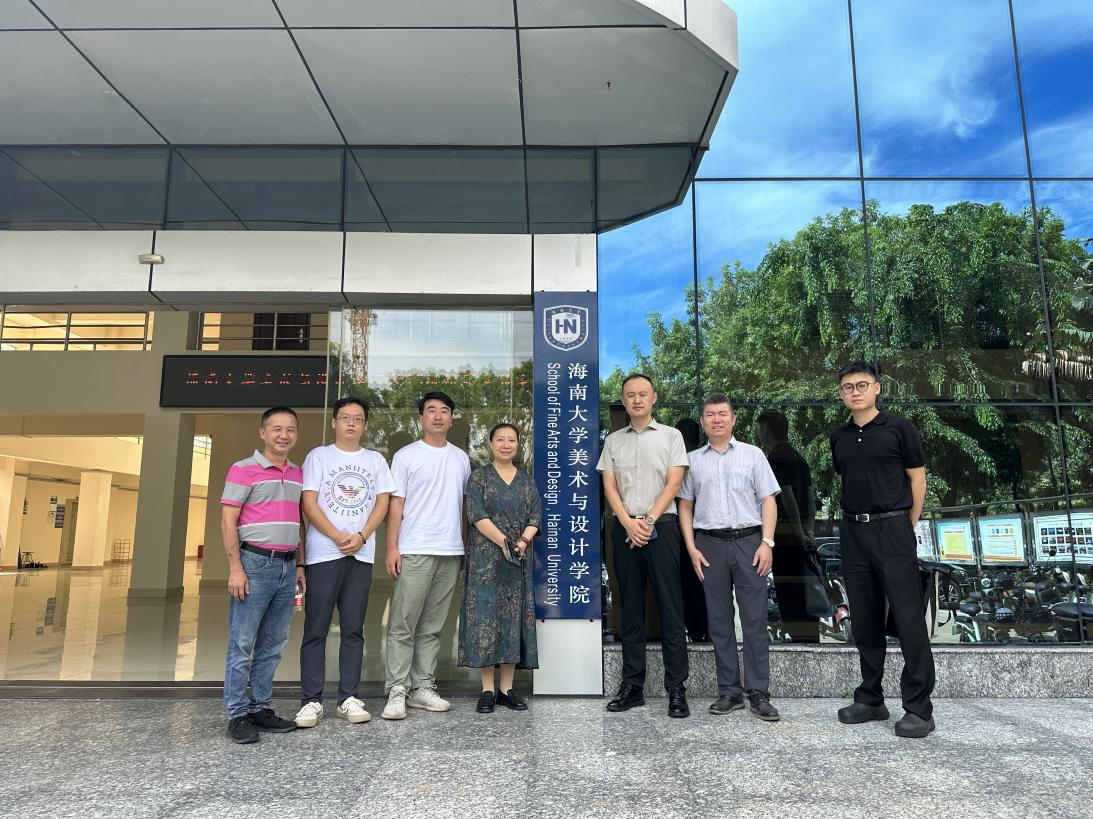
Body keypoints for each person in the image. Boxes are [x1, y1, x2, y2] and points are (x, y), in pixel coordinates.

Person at [829, 361, 934, 739]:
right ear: (841, 394)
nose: (854, 392)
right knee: (864, 618)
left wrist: (907, 524)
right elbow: (846, 479)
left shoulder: (899, 428)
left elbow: (917, 479)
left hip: (893, 528)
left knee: (907, 618)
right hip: (853, 531)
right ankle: (871, 698)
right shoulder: (839, 436)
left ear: (876, 388)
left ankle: (919, 708)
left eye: (861, 385)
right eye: (847, 387)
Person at [678, 394, 782, 722]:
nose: (717, 419)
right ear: (703, 422)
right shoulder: (693, 461)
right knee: (719, 621)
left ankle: (758, 692)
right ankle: (729, 691)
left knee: (754, 620)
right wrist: (691, 547)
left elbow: (768, 500)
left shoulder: (753, 455)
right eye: (710, 415)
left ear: (733, 419)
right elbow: (685, 505)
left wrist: (767, 543)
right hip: (709, 545)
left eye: (723, 414)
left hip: (750, 542)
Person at [294, 396, 395, 729]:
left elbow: (382, 502)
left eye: (358, 418)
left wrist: (362, 536)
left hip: (360, 555)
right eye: (346, 417)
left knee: (354, 629)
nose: (352, 423)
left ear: (365, 425)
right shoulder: (318, 456)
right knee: (316, 629)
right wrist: (337, 535)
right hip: (324, 554)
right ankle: (311, 701)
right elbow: (308, 502)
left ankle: (348, 698)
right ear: (334, 422)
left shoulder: (375, 460)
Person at [596, 373, 691, 718]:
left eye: (642, 394)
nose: (636, 399)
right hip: (625, 529)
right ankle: (632, 686)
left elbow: (675, 483)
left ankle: (676, 689)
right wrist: (627, 521)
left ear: (654, 398)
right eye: (630, 395)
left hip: (661, 527)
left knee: (670, 608)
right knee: (630, 609)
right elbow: (609, 487)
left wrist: (648, 521)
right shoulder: (613, 441)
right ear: (623, 401)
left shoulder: (671, 436)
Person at [381, 391, 471, 720]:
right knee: (403, 624)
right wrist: (392, 547)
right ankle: (397, 689)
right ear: (421, 418)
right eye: (431, 410)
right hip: (415, 548)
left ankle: (422, 687)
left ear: (451, 418)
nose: (438, 416)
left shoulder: (461, 458)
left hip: (450, 551)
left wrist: (464, 548)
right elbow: (396, 503)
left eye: (444, 410)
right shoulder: (406, 456)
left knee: (432, 627)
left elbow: (464, 506)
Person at [220, 406, 304, 744]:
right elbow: (228, 521)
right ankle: (237, 713)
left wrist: (300, 565)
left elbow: (298, 521)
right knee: (242, 642)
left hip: (287, 566)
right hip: (254, 563)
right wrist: (235, 568)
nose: (284, 435)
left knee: (274, 643)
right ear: (263, 433)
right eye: (277, 429)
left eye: (290, 429)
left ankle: (260, 708)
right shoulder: (243, 469)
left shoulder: (298, 473)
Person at [460, 423, 541, 714]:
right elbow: (476, 514)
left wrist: (522, 542)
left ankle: (507, 689)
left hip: (517, 559)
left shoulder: (527, 481)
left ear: (518, 445)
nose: (506, 445)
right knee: (485, 619)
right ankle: (487, 689)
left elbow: (535, 515)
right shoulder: (479, 478)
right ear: (491, 444)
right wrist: (504, 542)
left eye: (511, 440)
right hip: (485, 560)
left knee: (511, 619)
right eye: (500, 440)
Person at [757, 410, 820, 643]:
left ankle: (799, 641)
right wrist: (809, 531)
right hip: (801, 538)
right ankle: (809, 638)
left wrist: (799, 532)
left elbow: (786, 496)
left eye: (760, 428)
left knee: (790, 594)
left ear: (766, 430)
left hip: (786, 537)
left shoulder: (776, 458)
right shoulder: (798, 458)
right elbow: (811, 497)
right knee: (804, 594)